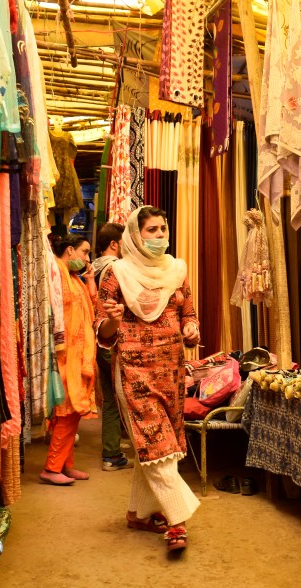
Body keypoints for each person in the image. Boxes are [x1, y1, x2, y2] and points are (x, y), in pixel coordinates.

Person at [95, 206, 201, 554]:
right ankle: (177, 519)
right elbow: (104, 331)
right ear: (135, 235)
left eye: (162, 229)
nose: (159, 236)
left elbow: (189, 313)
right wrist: (112, 320)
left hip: (171, 371)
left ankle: (139, 513)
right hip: (133, 371)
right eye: (151, 230)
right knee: (158, 444)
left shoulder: (177, 270)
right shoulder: (116, 273)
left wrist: (190, 330)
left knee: (155, 444)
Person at [39, 234, 97, 486]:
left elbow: (91, 306)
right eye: (85, 253)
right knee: (65, 412)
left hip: (76, 355)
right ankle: (52, 467)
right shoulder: (56, 271)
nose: (87, 259)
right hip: (64, 356)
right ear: (70, 250)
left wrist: (91, 279)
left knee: (72, 413)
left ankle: (65, 465)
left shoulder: (75, 278)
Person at [92, 222, 131, 471]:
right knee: (122, 396)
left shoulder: (93, 268)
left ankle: (111, 454)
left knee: (109, 397)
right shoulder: (115, 269)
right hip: (114, 337)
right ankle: (116, 452)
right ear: (115, 244)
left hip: (99, 335)